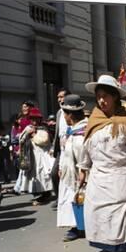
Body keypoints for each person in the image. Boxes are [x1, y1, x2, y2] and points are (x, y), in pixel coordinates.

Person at [77, 75, 126, 252]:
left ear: (115, 97)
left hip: (120, 175)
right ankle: (105, 245)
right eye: (99, 96)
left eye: (106, 96)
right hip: (98, 177)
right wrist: (83, 168)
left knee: (116, 212)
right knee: (97, 211)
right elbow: (87, 147)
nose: (102, 100)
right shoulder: (93, 121)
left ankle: (118, 247)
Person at [56, 94, 88, 242]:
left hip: (77, 177)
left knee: (78, 201)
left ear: (70, 115)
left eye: (65, 114)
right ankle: (76, 226)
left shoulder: (80, 134)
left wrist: (82, 174)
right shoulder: (73, 130)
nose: (64, 117)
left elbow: (83, 158)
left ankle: (78, 227)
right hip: (69, 174)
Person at [16, 107, 54, 205]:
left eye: (36, 118)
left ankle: (46, 193)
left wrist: (33, 136)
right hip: (31, 155)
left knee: (43, 173)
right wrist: (26, 135)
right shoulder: (28, 128)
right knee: (34, 174)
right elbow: (21, 139)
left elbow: (44, 141)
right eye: (32, 118)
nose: (34, 121)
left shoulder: (43, 128)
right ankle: (40, 193)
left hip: (43, 154)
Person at [49, 88, 70, 208]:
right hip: (60, 150)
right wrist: (54, 147)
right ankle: (58, 197)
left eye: (62, 97)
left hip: (71, 146)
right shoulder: (59, 113)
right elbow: (57, 132)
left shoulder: (73, 110)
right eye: (58, 97)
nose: (59, 99)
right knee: (54, 173)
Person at [12, 100, 35, 194]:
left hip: (33, 146)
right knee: (23, 168)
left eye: (25, 107)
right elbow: (20, 134)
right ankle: (19, 188)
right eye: (23, 107)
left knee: (30, 168)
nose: (23, 109)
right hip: (24, 146)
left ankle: (20, 188)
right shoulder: (23, 119)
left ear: (30, 107)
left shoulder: (33, 117)